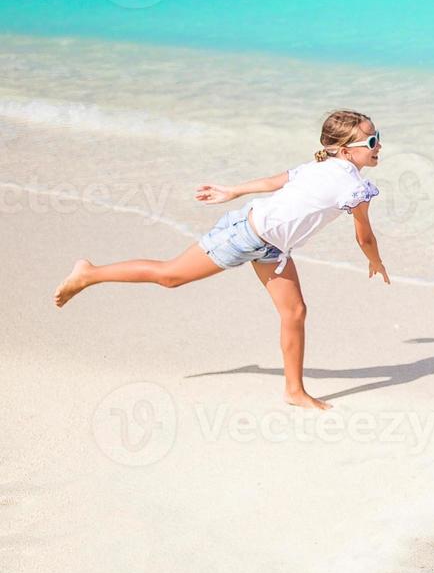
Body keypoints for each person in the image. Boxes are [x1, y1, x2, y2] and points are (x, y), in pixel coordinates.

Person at [53, 110, 389, 411]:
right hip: (244, 235)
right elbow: (364, 236)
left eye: (378, 138)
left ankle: (294, 391)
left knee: (295, 312)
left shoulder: (334, 172)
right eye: (372, 140)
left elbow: (278, 181)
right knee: (170, 276)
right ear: (345, 151)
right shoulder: (349, 185)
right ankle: (89, 273)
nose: (378, 146)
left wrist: (233, 191)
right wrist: (376, 261)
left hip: (273, 249)